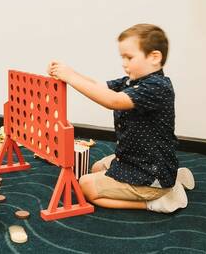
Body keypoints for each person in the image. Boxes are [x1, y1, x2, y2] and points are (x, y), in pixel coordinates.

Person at [48, 23, 194, 214]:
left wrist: (70, 77)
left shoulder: (157, 87)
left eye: (129, 57)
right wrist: (69, 72)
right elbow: (99, 86)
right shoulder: (133, 81)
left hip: (149, 169)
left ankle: (158, 201)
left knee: (85, 186)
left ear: (154, 57)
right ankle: (170, 182)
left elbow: (114, 101)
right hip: (138, 159)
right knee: (96, 167)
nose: (124, 63)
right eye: (122, 57)